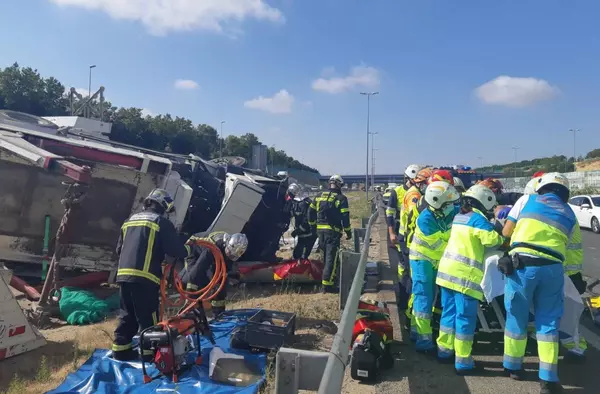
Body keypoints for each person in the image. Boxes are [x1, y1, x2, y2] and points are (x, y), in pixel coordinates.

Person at [500, 172, 578, 394]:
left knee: (517, 317)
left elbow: (506, 231)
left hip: (522, 266)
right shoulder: (570, 213)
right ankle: (548, 378)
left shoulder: (526, 200)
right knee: (548, 323)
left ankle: (513, 367)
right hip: (553, 269)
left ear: (540, 187)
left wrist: (508, 247)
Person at [112, 188, 188, 361]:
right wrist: (188, 248)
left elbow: (119, 250)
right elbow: (176, 250)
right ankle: (149, 354)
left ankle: (120, 351)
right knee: (148, 316)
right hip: (145, 278)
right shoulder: (160, 222)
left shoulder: (128, 221)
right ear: (163, 206)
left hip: (123, 275)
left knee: (127, 314)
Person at [436, 184, 505, 374]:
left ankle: (444, 351)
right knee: (465, 318)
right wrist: (500, 230)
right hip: (464, 276)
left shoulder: (460, 216)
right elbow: (493, 240)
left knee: (448, 314)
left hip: (446, 272)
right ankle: (463, 360)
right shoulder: (478, 219)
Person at [409, 181, 460, 353]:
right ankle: (423, 340)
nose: (451, 206)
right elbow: (444, 243)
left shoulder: (450, 211)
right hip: (422, 260)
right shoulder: (425, 219)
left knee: (432, 297)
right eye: (448, 204)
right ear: (438, 204)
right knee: (423, 297)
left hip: (437, 260)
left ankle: (417, 331)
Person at [181, 231, 248, 316]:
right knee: (196, 277)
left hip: (215, 253)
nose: (229, 255)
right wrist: (191, 299)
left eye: (232, 255)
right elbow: (196, 272)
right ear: (226, 243)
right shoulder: (212, 247)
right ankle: (191, 309)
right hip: (194, 249)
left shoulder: (230, 252)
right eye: (229, 252)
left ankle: (219, 313)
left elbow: (224, 275)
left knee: (222, 281)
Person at [386, 164, 422, 313]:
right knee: (404, 268)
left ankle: (407, 298)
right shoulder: (397, 192)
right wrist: (391, 233)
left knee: (408, 268)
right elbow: (390, 213)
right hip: (402, 235)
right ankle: (403, 296)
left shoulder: (419, 193)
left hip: (412, 235)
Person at [309, 175, 351, 293]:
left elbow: (310, 211)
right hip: (332, 232)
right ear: (339, 185)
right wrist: (348, 232)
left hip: (320, 232)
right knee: (330, 258)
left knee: (326, 257)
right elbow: (345, 217)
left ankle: (328, 280)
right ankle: (328, 286)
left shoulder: (318, 196)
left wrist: (313, 226)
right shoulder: (341, 198)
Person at [288, 185, 317, 260]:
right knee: (297, 254)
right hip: (303, 233)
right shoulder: (296, 203)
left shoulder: (304, 204)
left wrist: (298, 231)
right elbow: (292, 214)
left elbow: (306, 220)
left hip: (309, 232)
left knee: (302, 256)